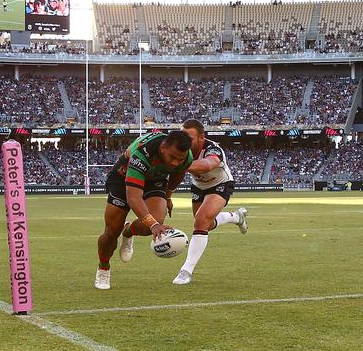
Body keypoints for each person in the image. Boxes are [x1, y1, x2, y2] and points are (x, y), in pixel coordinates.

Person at [95, 131, 193, 290]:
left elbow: (179, 172)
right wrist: (153, 225)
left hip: (155, 181)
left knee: (154, 221)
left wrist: (168, 196)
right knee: (111, 232)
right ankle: (103, 267)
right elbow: (133, 197)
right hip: (123, 178)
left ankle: (128, 232)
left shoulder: (186, 156)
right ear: (163, 148)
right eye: (172, 157)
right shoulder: (142, 153)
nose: (175, 162)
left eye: (179, 159)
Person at [171, 119, 248, 285]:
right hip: (199, 187)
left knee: (200, 221)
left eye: (189, 137)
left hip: (220, 184)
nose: (185, 141)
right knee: (204, 224)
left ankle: (186, 270)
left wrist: (179, 163)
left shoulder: (213, 148)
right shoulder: (181, 148)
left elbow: (208, 164)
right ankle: (236, 217)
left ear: (201, 138)